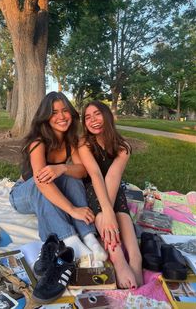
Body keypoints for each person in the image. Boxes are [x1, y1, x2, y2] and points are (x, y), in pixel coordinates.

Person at [9, 92, 107, 266]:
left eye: (65, 110)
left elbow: (82, 171)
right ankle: (70, 241)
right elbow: (41, 182)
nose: (61, 116)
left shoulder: (71, 142)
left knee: (71, 177)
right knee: (42, 180)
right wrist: (72, 209)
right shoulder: (37, 142)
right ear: (45, 117)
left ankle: (88, 236)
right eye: (54, 113)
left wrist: (62, 167)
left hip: (45, 190)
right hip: (23, 194)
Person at [78, 100, 143, 289]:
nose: (93, 120)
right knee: (103, 208)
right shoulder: (84, 144)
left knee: (119, 206)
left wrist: (110, 214)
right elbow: (96, 175)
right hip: (92, 185)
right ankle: (119, 259)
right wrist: (106, 213)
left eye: (97, 114)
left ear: (107, 116)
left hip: (113, 185)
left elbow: (113, 176)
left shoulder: (122, 147)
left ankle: (136, 258)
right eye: (87, 117)